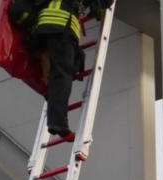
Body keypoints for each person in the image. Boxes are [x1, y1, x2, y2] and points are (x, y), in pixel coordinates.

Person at [9, 0, 113, 136]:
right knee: (62, 74)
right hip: (61, 28)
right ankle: (58, 123)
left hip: (41, 32)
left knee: (77, 59)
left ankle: (53, 94)